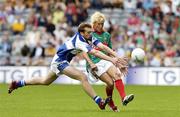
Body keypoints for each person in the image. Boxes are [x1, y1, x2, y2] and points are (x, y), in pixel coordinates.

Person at [8, 22, 127, 110]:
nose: (91, 34)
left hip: (62, 61)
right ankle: (99, 101)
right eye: (88, 32)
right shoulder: (79, 41)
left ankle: (17, 83)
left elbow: (102, 47)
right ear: (82, 33)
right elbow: (95, 52)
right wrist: (112, 60)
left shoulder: (88, 37)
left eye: (91, 32)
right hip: (60, 61)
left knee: (45, 81)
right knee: (82, 77)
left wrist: (117, 58)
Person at [83, 12, 134, 112]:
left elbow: (110, 51)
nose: (101, 26)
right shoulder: (88, 35)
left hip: (105, 60)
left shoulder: (107, 35)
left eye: (102, 23)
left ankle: (124, 98)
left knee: (117, 75)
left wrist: (119, 64)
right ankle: (111, 103)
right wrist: (90, 63)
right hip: (94, 63)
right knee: (110, 84)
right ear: (93, 23)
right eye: (98, 23)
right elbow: (83, 51)